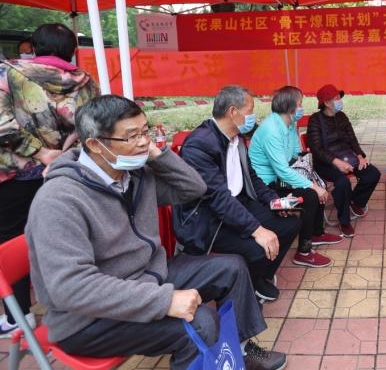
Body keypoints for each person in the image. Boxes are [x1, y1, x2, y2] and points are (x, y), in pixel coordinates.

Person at [25, 95, 286, 370]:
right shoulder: (59, 200)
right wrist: (164, 300)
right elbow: (70, 289)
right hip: (87, 318)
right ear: (95, 144)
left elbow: (194, 188)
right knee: (201, 322)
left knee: (231, 268)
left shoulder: (135, 176)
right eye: (131, 136)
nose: (142, 142)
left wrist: (158, 155)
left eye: (145, 132)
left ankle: (239, 351)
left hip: (148, 276)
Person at [0, 23, 98, 338]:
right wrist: (60, 153)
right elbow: (90, 126)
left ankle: (19, 316)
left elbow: (2, 125)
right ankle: (77, 307)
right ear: (72, 50)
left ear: (34, 46)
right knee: (67, 235)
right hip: (65, 171)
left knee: (11, 240)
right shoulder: (84, 81)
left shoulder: (9, 75)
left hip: (17, 174)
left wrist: (40, 153)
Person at [175, 85, 301, 302]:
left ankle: (258, 277)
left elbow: (251, 177)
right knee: (257, 247)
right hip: (208, 218)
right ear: (233, 112)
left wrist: (275, 201)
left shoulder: (236, 138)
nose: (253, 116)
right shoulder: (199, 145)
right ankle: (245, 290)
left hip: (237, 203)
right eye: (250, 110)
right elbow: (217, 198)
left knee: (290, 223)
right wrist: (256, 230)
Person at [249, 85, 338, 268]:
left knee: (317, 183)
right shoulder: (271, 130)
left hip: (282, 177)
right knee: (311, 194)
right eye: (300, 104)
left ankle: (317, 233)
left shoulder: (289, 124)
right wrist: (312, 186)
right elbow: (282, 170)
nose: (301, 108)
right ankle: (304, 252)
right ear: (289, 106)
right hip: (266, 186)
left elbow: (297, 155)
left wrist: (312, 179)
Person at [307, 84, 381, 238]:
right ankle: (344, 221)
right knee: (342, 182)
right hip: (325, 162)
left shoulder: (342, 116)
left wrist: (360, 156)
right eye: (336, 98)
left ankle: (355, 202)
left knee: (372, 173)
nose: (340, 101)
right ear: (327, 103)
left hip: (348, 157)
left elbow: (352, 138)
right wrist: (337, 162)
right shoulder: (315, 120)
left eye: (339, 98)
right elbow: (316, 149)